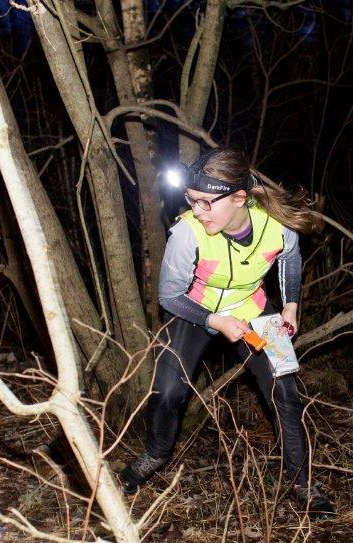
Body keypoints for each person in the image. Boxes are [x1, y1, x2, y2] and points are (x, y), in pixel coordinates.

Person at [120, 146, 336, 519]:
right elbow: (169, 296)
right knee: (168, 390)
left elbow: (290, 258)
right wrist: (214, 320)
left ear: (239, 197)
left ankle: (302, 482)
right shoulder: (187, 232)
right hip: (195, 310)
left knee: (284, 390)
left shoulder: (276, 224)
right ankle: (154, 455)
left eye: (206, 203)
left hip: (254, 309)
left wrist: (290, 306)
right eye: (192, 201)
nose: (197, 211)